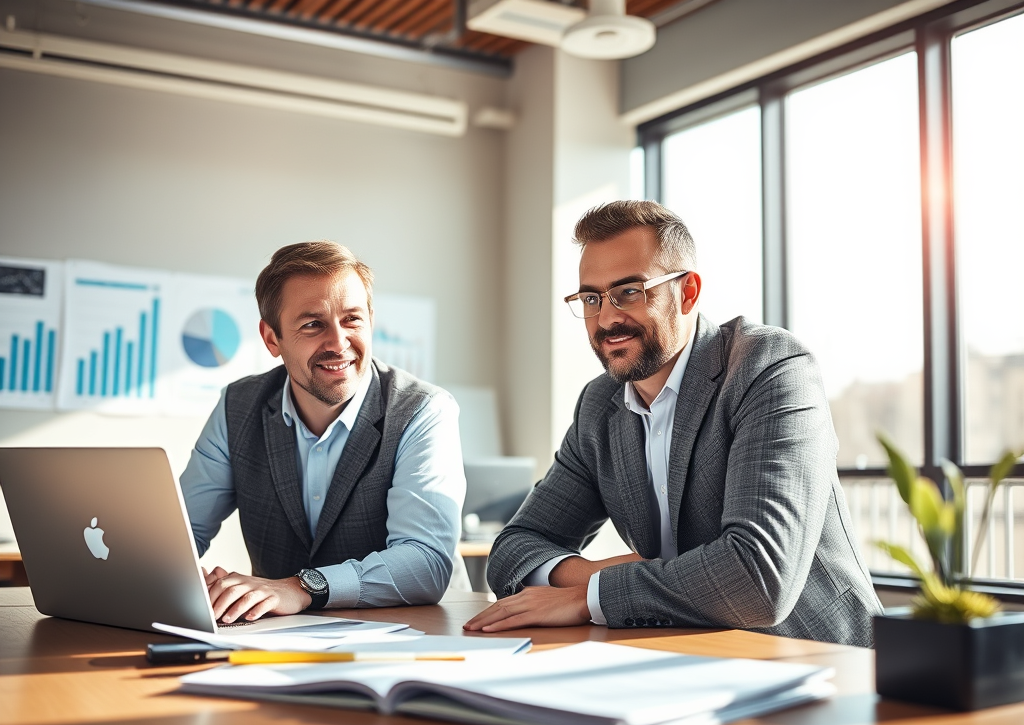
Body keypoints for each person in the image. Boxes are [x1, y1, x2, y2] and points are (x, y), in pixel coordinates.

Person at [465, 201, 881, 647]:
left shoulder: (767, 367)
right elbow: (514, 548)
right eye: (591, 299)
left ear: (688, 292)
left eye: (629, 292)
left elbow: (758, 577)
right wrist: (590, 575)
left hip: (822, 660)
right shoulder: (599, 406)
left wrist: (589, 597)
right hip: (686, 657)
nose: (607, 318)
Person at [181, 240, 465, 624]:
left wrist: (301, 587)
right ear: (271, 339)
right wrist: (187, 579)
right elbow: (180, 535)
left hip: (420, 634)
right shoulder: (238, 407)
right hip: (279, 640)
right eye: (313, 324)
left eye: (352, 319)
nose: (338, 343)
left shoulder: (422, 410)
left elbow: (424, 563)